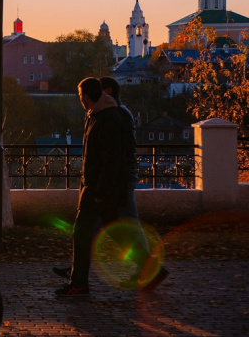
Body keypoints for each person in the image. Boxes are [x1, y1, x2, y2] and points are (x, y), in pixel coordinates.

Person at [55, 77, 126, 296]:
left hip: (97, 190)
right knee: (116, 234)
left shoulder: (106, 119)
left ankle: (79, 283)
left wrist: (101, 192)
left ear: (86, 96)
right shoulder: (97, 116)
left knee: (82, 234)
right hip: (95, 188)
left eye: (80, 96)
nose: (80, 100)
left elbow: (110, 159)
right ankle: (151, 269)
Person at [99, 76, 168, 290]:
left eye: (99, 91)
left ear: (108, 90)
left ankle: (151, 271)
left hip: (121, 178)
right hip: (121, 177)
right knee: (122, 224)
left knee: (130, 224)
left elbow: (118, 149)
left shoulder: (117, 114)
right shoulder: (120, 112)